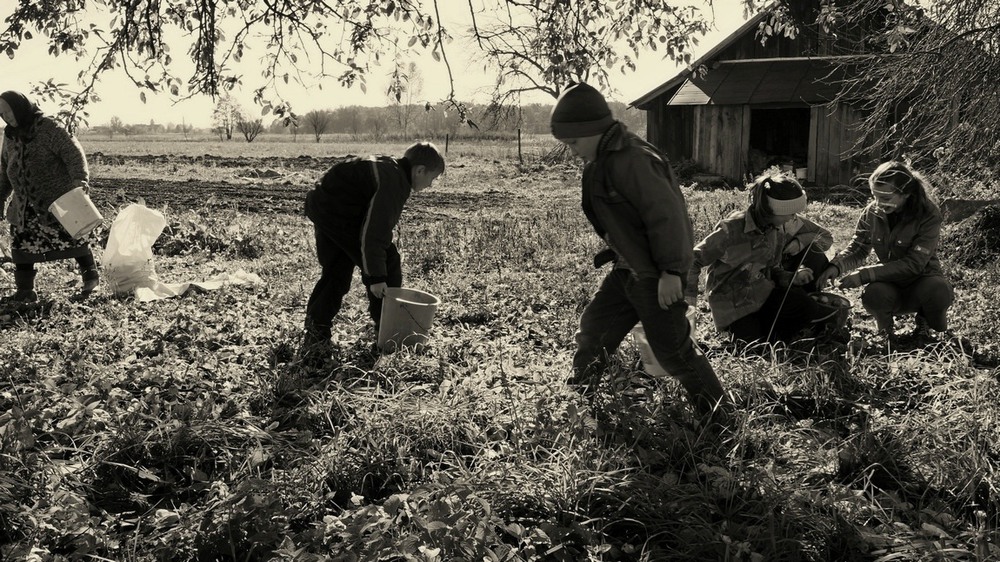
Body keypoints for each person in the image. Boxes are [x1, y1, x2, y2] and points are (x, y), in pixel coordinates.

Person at [550, 81, 726, 420]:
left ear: (593, 130)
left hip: (656, 275)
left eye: (573, 141)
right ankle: (578, 400)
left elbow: (667, 215)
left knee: (674, 351)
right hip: (628, 269)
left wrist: (672, 271)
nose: (572, 150)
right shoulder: (601, 159)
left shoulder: (634, 159)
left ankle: (719, 418)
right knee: (595, 330)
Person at [300, 142, 445, 363]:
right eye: (431, 179)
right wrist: (377, 277)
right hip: (335, 213)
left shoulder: (392, 168)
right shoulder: (395, 182)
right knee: (387, 262)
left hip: (322, 205)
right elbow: (375, 233)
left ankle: (315, 333)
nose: (430, 185)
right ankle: (389, 335)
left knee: (336, 271)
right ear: (420, 170)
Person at [686, 171, 836, 345]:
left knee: (806, 307)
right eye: (791, 213)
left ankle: (773, 338)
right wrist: (688, 305)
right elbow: (693, 260)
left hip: (762, 295)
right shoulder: (732, 230)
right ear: (774, 209)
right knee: (752, 347)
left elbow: (772, 269)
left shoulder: (776, 231)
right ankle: (758, 338)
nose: (793, 218)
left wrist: (791, 277)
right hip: (733, 305)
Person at [815, 160, 953, 343]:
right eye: (875, 196)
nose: (878, 203)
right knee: (874, 294)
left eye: (886, 199)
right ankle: (886, 333)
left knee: (938, 290)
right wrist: (836, 266)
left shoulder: (928, 214)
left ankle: (925, 322)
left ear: (906, 194)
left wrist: (864, 275)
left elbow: (914, 264)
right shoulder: (872, 212)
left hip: (922, 280)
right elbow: (858, 247)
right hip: (890, 283)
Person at [0, 90, 99, 303]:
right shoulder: (9, 136)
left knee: (74, 239)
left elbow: (74, 154)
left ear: (21, 107)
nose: (6, 116)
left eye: (9, 110)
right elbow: (3, 170)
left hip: (58, 201)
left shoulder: (49, 128)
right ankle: (25, 291)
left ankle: (91, 278)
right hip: (24, 204)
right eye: (1, 113)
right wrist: (0, 198)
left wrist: (80, 182)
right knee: (22, 245)